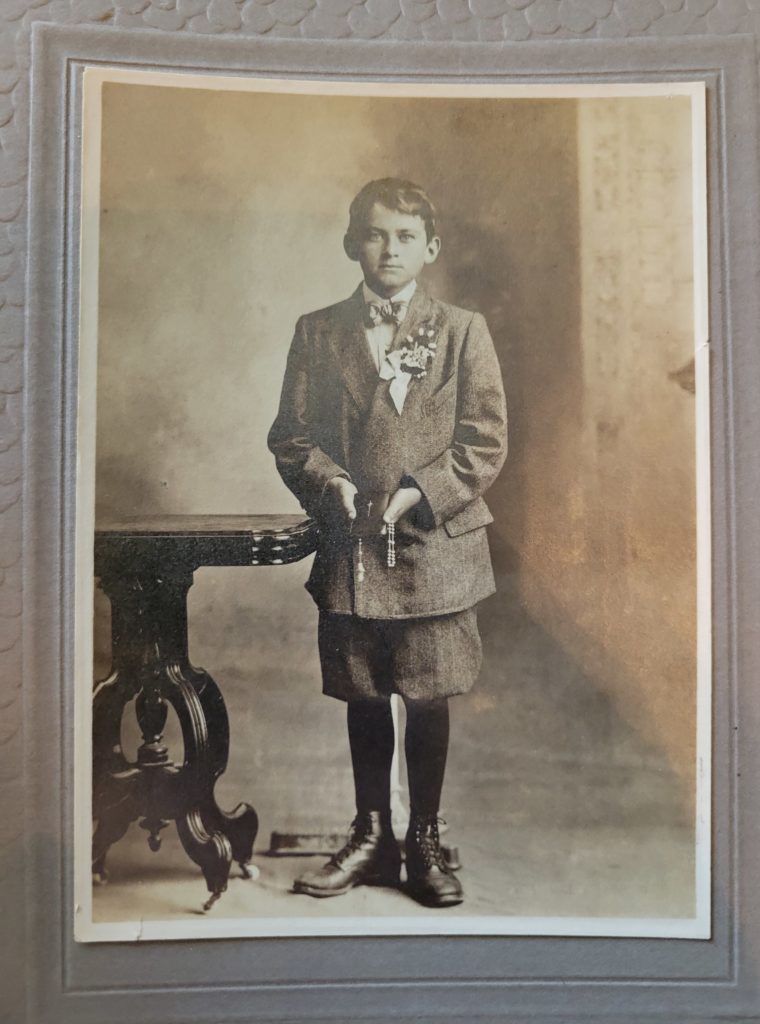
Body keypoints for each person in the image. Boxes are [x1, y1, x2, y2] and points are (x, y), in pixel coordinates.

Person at [268, 177, 507, 908]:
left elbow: (484, 440)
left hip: (433, 544)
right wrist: (332, 484)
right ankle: (372, 834)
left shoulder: (461, 330)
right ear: (353, 245)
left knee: (428, 693)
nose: (390, 250)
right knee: (365, 692)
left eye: (405, 237)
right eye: (375, 235)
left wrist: (417, 493)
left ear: (430, 248)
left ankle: (423, 839)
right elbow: (292, 437)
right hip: (355, 545)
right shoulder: (318, 332)